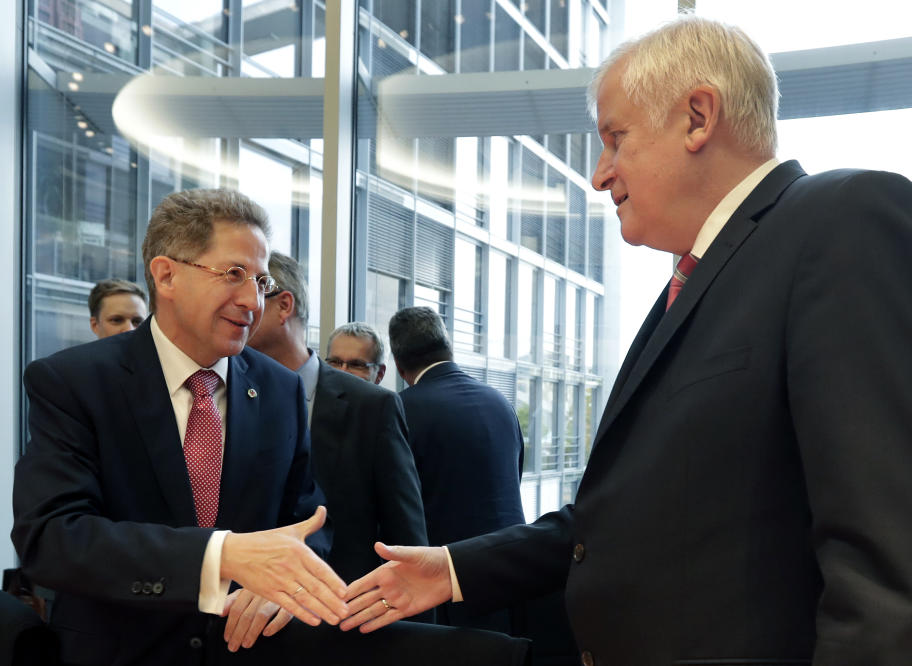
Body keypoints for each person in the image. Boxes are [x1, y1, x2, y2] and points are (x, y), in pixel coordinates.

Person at [340, 15, 912, 665]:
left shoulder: (843, 221)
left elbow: (888, 567)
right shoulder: (694, 286)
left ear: (699, 117)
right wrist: (451, 569)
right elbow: (619, 519)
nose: (599, 173)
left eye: (615, 138)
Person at [12, 189, 349, 666]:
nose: (252, 300)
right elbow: (52, 538)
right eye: (233, 274)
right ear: (166, 275)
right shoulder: (75, 382)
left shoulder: (279, 389)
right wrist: (221, 556)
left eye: (260, 280)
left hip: (249, 651)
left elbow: (307, 517)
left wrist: (288, 581)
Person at [246, 251, 428, 583]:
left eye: (252, 292)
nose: (239, 306)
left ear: (284, 306)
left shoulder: (372, 407)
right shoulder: (226, 394)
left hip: (344, 613)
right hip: (241, 614)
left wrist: (409, 632)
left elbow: (406, 537)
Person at [387, 306, 525, 633]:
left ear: (398, 364)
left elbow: (395, 506)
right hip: (514, 577)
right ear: (448, 348)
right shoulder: (501, 402)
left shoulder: (400, 410)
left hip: (445, 589)